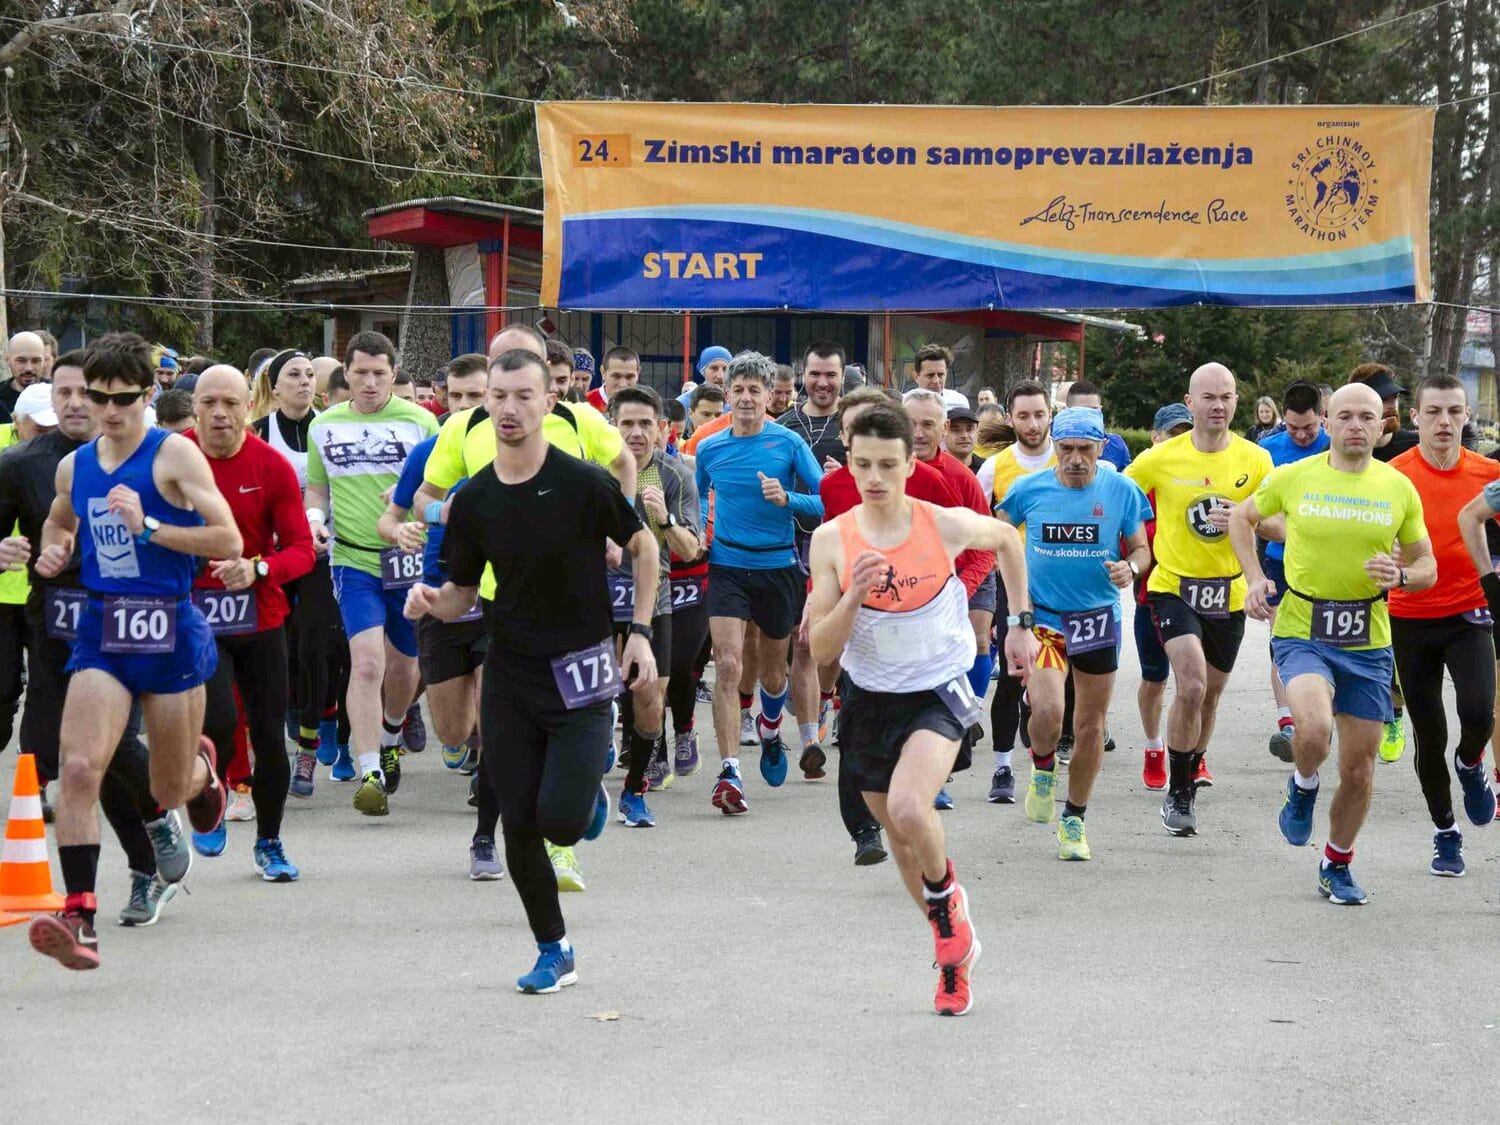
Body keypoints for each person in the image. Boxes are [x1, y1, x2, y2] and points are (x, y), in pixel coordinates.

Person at [403, 347, 660, 995]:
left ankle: (583, 803)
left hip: (582, 671)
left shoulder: (584, 482)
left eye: (524, 395)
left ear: (550, 402)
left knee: (560, 820)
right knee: (518, 819)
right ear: (484, 404)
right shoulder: (476, 498)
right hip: (511, 671)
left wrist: (642, 633)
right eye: (499, 396)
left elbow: (644, 546)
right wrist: (434, 602)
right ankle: (555, 948)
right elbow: (462, 591)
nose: (510, 407)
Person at [807, 401, 1036, 1016]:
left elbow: (1009, 541)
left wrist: (1020, 624)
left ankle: (946, 900)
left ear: (912, 463)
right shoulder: (832, 541)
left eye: (888, 464)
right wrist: (855, 591)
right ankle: (951, 953)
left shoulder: (944, 524)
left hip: (940, 684)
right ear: (849, 465)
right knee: (899, 832)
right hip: (868, 695)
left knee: (912, 806)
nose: (875, 478)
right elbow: (821, 648)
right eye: (863, 465)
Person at [28, 333, 242, 970]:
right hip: (102, 629)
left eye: (124, 399)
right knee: (77, 770)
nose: (109, 411)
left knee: (168, 788)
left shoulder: (173, 456)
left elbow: (227, 538)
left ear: (148, 395)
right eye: (98, 398)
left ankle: (205, 775)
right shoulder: (76, 465)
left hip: (169, 628)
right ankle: (80, 915)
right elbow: (61, 519)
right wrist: (54, 549)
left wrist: (149, 526)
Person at [414, 323, 633, 889]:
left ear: (547, 379)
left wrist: (615, 531)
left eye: (524, 371)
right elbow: (425, 497)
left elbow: (623, 468)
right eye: (498, 377)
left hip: (575, 607)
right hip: (493, 595)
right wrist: (453, 518)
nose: (509, 395)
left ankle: (543, 827)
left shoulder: (581, 421)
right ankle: (519, 824)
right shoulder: (463, 427)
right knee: (468, 731)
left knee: (535, 734)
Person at [0, 351, 189, 928]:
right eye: (66, 393)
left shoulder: (149, 456)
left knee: (108, 753)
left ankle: (144, 862)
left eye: (91, 393)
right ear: (49, 400)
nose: (79, 404)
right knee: (56, 757)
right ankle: (147, 836)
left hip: (133, 620)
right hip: (56, 622)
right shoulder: (21, 463)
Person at [1230, 383, 1433, 905]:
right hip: (1303, 628)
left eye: (1368, 417)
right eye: (1345, 416)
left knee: (1360, 769)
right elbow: (1240, 516)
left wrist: (1402, 576)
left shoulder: (1397, 487)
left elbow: (1426, 565)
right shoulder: (1295, 476)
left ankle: (1335, 863)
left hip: (1368, 639)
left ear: (1382, 424)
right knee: (1315, 731)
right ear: (1327, 419)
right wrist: (1253, 578)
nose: (1357, 426)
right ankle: (1302, 783)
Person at [996, 407, 1152, 860]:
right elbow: (1001, 543)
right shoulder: (1027, 489)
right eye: (1066, 449)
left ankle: (1074, 820)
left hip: (1098, 618)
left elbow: (1141, 547)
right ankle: (1043, 766)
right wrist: (1015, 612)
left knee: (1090, 725)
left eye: (1086, 449)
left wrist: (1132, 568)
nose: (1076, 459)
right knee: (1047, 710)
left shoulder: (1122, 490)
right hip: (1044, 618)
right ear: (1054, 447)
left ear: (1102, 448)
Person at [1124, 362, 1272, 835]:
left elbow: (1275, 522)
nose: (1219, 405)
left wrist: (1245, 519)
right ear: (1190, 403)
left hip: (1227, 592)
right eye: (1209, 397)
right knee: (1190, 686)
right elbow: (1120, 497)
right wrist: (1121, 556)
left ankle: (1191, 764)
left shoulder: (1255, 459)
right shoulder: (1163, 457)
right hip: (1173, 588)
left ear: (1236, 402)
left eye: (1227, 396)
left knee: (1209, 698)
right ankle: (1179, 794)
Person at [819, 387, 961, 862]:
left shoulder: (934, 485)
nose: (873, 474)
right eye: (860, 456)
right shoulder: (834, 488)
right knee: (852, 710)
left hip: (922, 620)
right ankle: (865, 831)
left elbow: (973, 542)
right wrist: (831, 602)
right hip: (858, 615)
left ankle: (926, 775)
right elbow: (829, 558)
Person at [185, 367, 315, 877]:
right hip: (196, 618)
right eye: (210, 402)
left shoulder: (272, 466)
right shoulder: (173, 460)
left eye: (231, 403)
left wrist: (258, 568)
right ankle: (212, 794)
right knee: (218, 719)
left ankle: (270, 840)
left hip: (259, 617)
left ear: (248, 407)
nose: (220, 413)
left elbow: (302, 551)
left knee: (267, 734)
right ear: (194, 406)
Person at [304, 330, 439, 817]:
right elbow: (317, 491)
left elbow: (440, 487)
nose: (370, 382)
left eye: (380, 373)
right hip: (353, 558)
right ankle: (369, 773)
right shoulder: (325, 426)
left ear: (393, 373)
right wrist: (314, 522)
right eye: (360, 372)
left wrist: (411, 501)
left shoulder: (422, 423)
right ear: (346, 372)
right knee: (365, 663)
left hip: (409, 558)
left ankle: (390, 733)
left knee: (404, 667)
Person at [694, 351, 824, 812]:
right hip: (728, 566)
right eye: (738, 389)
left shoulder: (788, 443)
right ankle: (729, 771)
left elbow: (825, 502)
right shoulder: (708, 447)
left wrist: (787, 498)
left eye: (755, 390)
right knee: (727, 664)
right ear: (726, 393)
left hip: (777, 569)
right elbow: (697, 500)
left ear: (771, 396)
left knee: (773, 671)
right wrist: (700, 533)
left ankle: (771, 730)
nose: (746, 398)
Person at [380, 355, 494, 873]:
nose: (467, 407)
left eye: (477, 396)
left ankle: (490, 794)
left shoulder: (512, 451)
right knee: (453, 729)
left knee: (497, 710)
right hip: (439, 594)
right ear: (444, 398)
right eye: (458, 396)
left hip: (497, 595)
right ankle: (464, 745)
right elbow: (392, 516)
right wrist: (404, 528)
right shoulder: (429, 452)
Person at [1386, 375, 1498, 877]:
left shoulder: (1487, 473)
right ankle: (1445, 833)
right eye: (1433, 412)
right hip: (1409, 616)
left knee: (1478, 711)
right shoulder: (1393, 475)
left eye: (1455, 411)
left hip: (1468, 612)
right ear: (1415, 418)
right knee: (1428, 732)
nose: (1445, 422)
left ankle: (1472, 762)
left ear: (1468, 416)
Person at [251, 349, 351, 789]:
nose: (305, 382)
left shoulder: (329, 429)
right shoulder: (256, 433)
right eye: (294, 375)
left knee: (317, 646)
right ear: (274, 386)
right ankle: (301, 719)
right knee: (283, 651)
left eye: (311, 374)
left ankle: (312, 745)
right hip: (271, 556)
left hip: (321, 552)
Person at [608, 386, 703, 827]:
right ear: (612, 425)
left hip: (655, 594)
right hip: (599, 593)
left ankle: (634, 790)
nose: (636, 433)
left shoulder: (676, 474)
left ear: (662, 428)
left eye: (646, 423)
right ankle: (590, 772)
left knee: (649, 695)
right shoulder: (595, 469)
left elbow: (691, 550)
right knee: (597, 693)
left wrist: (663, 519)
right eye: (627, 423)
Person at [903, 389, 997, 808]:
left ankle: (966, 717)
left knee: (972, 648)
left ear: (943, 429)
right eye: (912, 423)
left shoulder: (961, 479)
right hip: (905, 592)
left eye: (929, 425)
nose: (920, 433)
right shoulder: (885, 472)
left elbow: (985, 547)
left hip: (964, 580)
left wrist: (958, 590)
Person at [978, 381, 1054, 797]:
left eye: (1039, 414)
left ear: (1051, 414)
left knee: (1064, 676)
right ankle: (1003, 768)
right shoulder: (996, 467)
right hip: (1012, 584)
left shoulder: (1069, 456)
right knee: (1011, 676)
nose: (1032, 423)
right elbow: (980, 528)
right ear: (1010, 418)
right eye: (1023, 415)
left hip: (1062, 585)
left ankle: (1047, 735)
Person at [777, 341, 848, 775]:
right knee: (800, 642)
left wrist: (848, 481)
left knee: (834, 640)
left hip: (842, 546)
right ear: (803, 375)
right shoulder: (786, 425)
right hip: (794, 547)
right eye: (815, 374)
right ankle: (809, 729)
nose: (822, 383)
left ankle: (824, 701)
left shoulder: (854, 425)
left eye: (831, 375)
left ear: (843, 377)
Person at [1257, 381, 1330, 761]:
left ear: (1323, 417)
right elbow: (1252, 512)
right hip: (1280, 559)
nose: (1301, 436)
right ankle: (1287, 722)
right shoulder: (1267, 451)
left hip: (1329, 562)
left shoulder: (1337, 448)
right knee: (1282, 638)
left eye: (1309, 428)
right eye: (1292, 428)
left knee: (1324, 641)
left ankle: (1320, 712)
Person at [1349, 361, 1417, 762]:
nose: (1391, 406)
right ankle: (1376, 711)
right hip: (1354, 563)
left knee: (1398, 641)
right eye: (1384, 398)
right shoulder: (1342, 445)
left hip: (1404, 562)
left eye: (1394, 399)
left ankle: (1394, 710)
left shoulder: (1411, 443)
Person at [1136, 404, 1193, 790]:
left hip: (1198, 597)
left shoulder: (1196, 479)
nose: (1181, 440)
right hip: (1150, 595)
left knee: (1195, 684)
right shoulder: (1143, 482)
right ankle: (1154, 746)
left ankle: (1192, 756)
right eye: (1173, 433)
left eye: (1186, 433)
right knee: (1155, 679)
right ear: (1155, 437)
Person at [1063, 380, 1132, 470]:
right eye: (1083, 411)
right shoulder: (1057, 445)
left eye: (1094, 410)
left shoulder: (1116, 445)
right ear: (1067, 412)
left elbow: (1127, 480)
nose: (1090, 417)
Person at [905, 343, 969, 412]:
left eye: (940, 375)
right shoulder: (903, 404)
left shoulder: (959, 403)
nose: (936, 381)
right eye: (930, 375)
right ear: (916, 377)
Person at [2, 331, 50, 416]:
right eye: (21, 361)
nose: (29, 368)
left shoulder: (58, 395)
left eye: (36, 361)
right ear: (7, 360)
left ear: (45, 361)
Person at [585, 345, 641, 414]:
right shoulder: (585, 404)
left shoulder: (647, 406)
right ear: (603, 372)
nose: (623, 385)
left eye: (629, 377)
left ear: (638, 373)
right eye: (616, 376)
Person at [677, 345, 731, 410]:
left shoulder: (736, 401)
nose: (720, 376)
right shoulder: (685, 402)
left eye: (725, 369)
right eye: (714, 368)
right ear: (703, 371)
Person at [944, 405, 983, 473]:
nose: (964, 435)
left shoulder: (986, 469)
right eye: (955, 430)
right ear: (944, 432)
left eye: (969, 429)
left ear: (978, 432)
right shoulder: (935, 470)